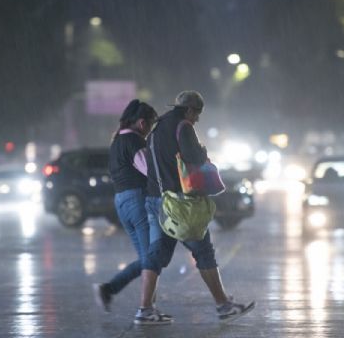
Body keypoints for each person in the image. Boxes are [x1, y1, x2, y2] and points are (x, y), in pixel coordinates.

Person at [138, 90, 255, 325]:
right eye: (197, 114)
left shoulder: (156, 129)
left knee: (155, 254)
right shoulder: (184, 126)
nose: (197, 119)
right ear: (189, 110)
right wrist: (202, 152)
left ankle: (145, 309)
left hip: (154, 199)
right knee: (203, 251)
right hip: (179, 203)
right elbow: (194, 158)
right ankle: (224, 306)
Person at [92, 100, 172, 320]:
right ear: (141, 122)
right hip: (138, 200)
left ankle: (110, 290)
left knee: (148, 258)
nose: (149, 131)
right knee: (153, 257)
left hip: (122, 201)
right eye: (149, 125)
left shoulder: (117, 141)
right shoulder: (134, 141)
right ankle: (145, 310)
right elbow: (151, 172)